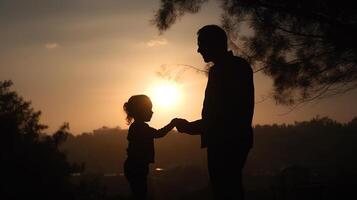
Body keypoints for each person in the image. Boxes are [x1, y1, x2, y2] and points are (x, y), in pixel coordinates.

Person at [175, 25, 255, 200]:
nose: (198, 50)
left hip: (226, 142)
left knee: (225, 190)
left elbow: (221, 116)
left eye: (201, 44)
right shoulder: (229, 68)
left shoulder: (227, 70)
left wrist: (189, 127)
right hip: (230, 140)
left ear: (214, 44)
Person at [123, 94, 178, 200]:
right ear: (140, 111)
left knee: (139, 193)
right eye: (149, 109)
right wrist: (172, 124)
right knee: (140, 194)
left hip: (134, 165)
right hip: (137, 166)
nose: (152, 112)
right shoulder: (140, 127)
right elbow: (159, 134)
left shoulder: (137, 127)